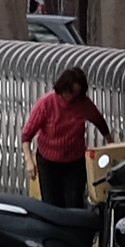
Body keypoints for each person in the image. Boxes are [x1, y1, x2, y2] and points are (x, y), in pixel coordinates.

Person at [22, 68, 108, 210]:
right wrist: (29, 160)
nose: (72, 97)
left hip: (75, 162)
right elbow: (27, 134)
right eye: (70, 92)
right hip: (48, 162)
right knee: (52, 204)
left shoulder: (83, 103)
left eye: (76, 94)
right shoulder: (47, 103)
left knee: (74, 202)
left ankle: (74, 231)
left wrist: (111, 143)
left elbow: (99, 121)